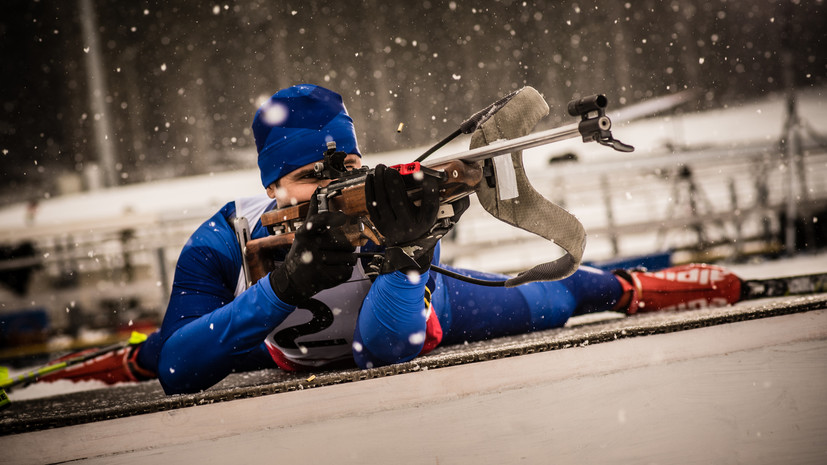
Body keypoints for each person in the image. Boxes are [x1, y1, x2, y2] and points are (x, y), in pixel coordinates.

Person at [41, 84, 742, 393]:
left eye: (344, 165)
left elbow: (384, 349)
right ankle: (102, 362)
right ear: (274, 182)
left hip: (422, 315)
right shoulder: (225, 233)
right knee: (166, 348)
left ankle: (647, 285)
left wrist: (409, 255)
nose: (334, 180)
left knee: (560, 295)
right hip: (286, 348)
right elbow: (180, 372)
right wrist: (284, 285)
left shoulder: (383, 197)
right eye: (312, 174)